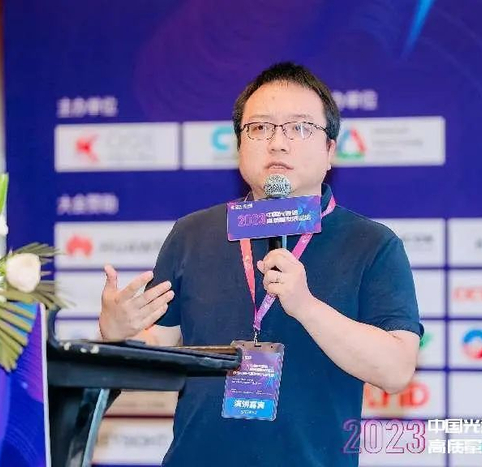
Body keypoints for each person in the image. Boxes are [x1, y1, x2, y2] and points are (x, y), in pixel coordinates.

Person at [98, 62, 423, 466]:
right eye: (260, 128)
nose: (278, 143)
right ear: (239, 145)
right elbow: (157, 350)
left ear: (330, 150)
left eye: (299, 127)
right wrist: (115, 336)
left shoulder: (372, 244)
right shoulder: (192, 234)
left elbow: (395, 370)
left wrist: (306, 306)